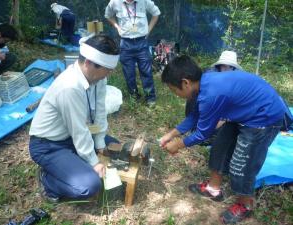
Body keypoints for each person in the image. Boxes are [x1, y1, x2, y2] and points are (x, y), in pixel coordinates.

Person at [160, 55, 285, 224]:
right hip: (245, 112)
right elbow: (194, 116)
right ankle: (213, 189)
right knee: (220, 145)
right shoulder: (202, 84)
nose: (175, 94)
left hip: (263, 116)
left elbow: (202, 133)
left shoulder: (210, 94)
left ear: (185, 83)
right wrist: (171, 134)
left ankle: (245, 205)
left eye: (174, 90)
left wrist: (179, 144)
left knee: (242, 162)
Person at [28, 34, 120, 202]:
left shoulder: (99, 78)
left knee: (115, 148)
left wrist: (99, 144)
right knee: (90, 185)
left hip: (71, 137)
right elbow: (79, 131)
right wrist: (94, 162)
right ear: (88, 63)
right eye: (106, 69)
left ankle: (72, 163)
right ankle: (48, 181)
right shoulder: (70, 87)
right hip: (48, 145)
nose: (109, 74)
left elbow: (99, 112)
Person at [105, 0, 161, 106]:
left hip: (141, 42)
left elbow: (156, 13)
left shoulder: (144, 1)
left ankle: (150, 98)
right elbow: (108, 15)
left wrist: (148, 30)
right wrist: (117, 26)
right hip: (125, 43)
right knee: (129, 73)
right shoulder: (114, 2)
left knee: (146, 72)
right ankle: (134, 96)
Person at [0, 23, 17, 109]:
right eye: (5, 40)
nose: (5, 43)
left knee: (11, 57)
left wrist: (2, 53)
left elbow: (3, 50)